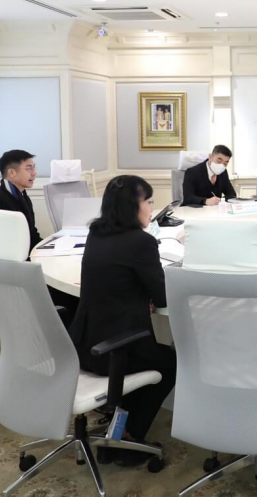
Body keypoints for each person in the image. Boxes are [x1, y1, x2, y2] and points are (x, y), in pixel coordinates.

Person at [68, 175, 175, 465]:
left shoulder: (96, 232)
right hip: (114, 352)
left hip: (84, 345)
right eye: (148, 202)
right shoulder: (141, 242)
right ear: (131, 206)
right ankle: (129, 439)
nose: (151, 208)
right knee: (170, 363)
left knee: (147, 358)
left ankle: (118, 428)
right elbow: (163, 297)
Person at [0, 149, 43, 255]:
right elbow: (8, 245)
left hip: (25, 253)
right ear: (12, 173)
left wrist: (48, 248)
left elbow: (31, 233)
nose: (34, 173)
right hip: (13, 259)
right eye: (28, 168)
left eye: (33, 168)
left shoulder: (22, 195)